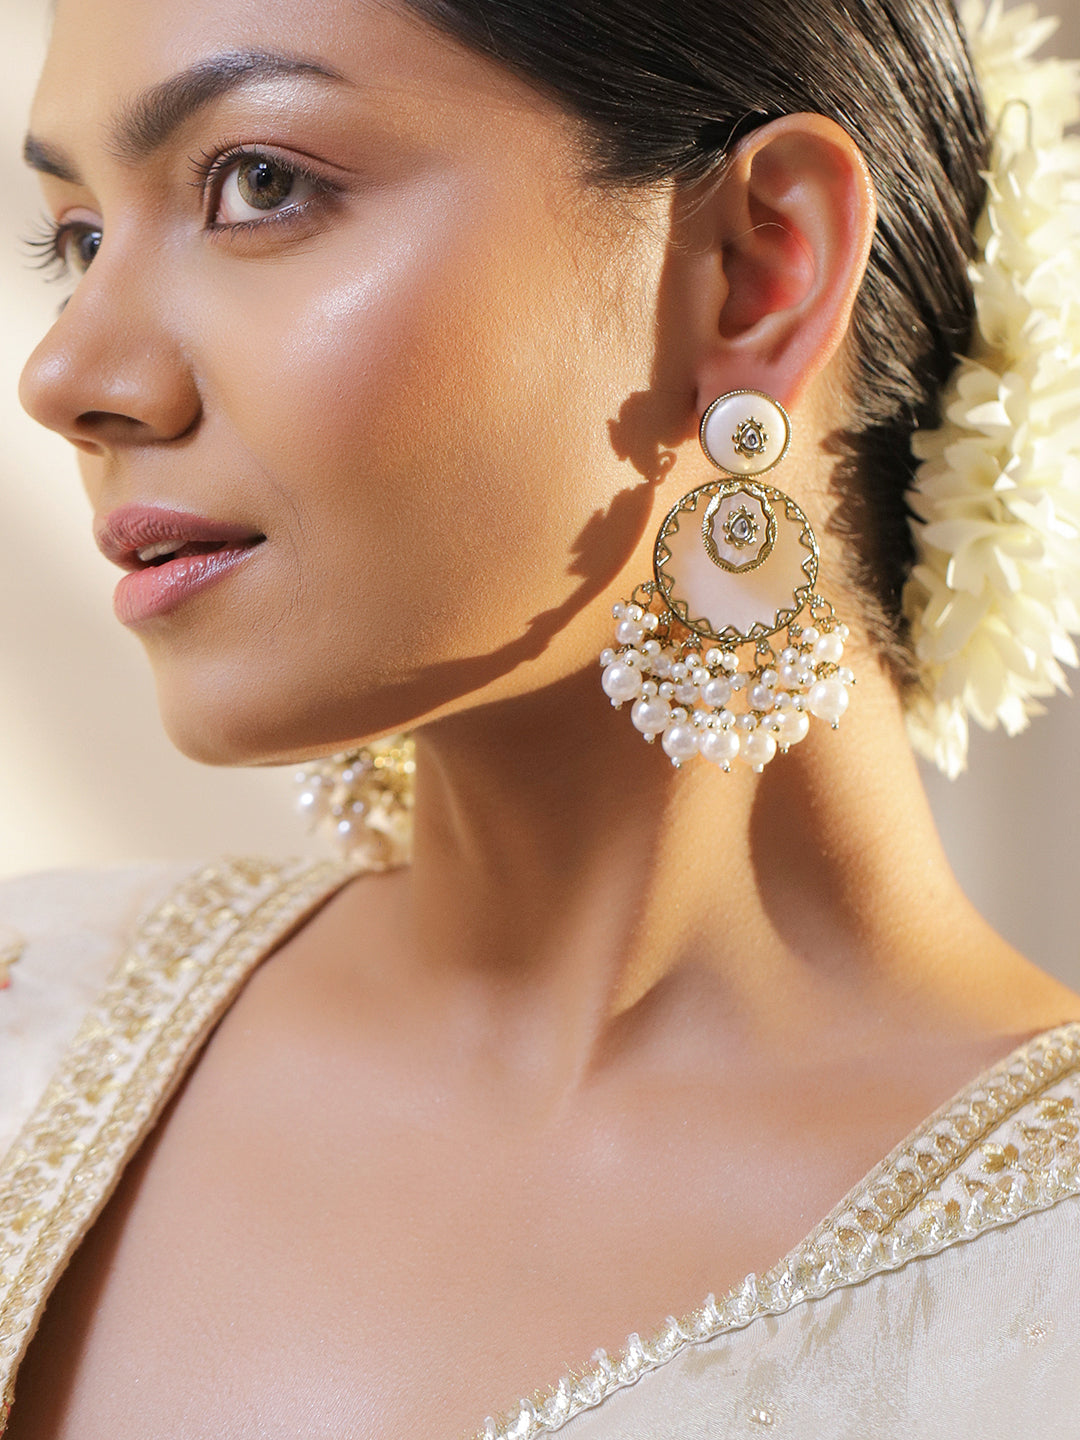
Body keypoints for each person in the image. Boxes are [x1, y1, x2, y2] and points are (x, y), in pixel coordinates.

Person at [2, 0, 1079, 1434]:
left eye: (259, 183)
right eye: (78, 239)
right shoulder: (28, 1020)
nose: (68, 378)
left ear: (759, 270)